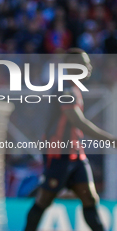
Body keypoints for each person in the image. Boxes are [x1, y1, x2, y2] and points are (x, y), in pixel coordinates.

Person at [24, 48, 116, 231]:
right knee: (44, 200)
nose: (89, 67)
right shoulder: (64, 88)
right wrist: (111, 139)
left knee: (90, 198)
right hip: (59, 155)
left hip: (76, 154)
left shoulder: (73, 88)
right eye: (85, 63)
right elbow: (78, 122)